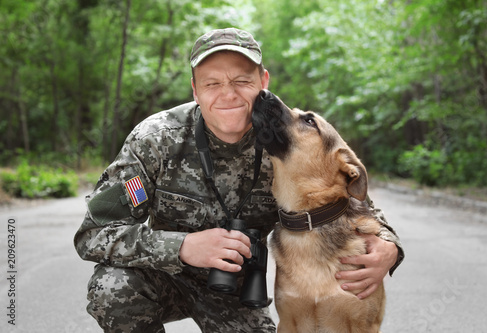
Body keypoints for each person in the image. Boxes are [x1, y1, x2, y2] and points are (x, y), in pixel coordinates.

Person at [74, 27, 404, 333]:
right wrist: (183, 247)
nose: (228, 94)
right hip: (164, 276)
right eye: (212, 83)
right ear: (195, 89)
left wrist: (390, 247)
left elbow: (354, 201)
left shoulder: (285, 142)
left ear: (263, 81)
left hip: (237, 292)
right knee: (113, 287)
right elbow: (92, 234)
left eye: (242, 81)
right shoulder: (155, 140)